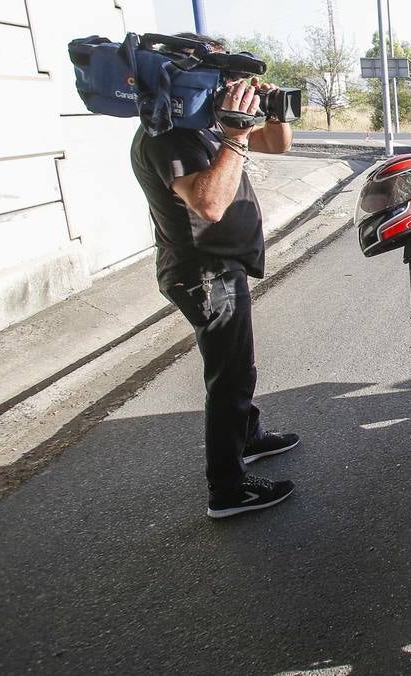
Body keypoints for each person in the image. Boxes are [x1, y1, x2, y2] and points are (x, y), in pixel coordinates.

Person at [129, 35, 299, 520]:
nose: (231, 86)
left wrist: (272, 110)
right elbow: (209, 202)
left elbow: (276, 144)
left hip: (222, 265)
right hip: (203, 273)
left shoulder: (199, 121)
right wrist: (234, 136)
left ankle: (250, 437)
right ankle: (228, 488)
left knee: (238, 366)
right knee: (229, 376)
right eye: (223, 77)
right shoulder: (168, 134)